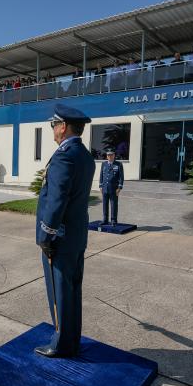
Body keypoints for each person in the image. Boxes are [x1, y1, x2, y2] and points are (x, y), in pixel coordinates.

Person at [35, 104, 95, 358]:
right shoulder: (84, 154)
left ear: (63, 127)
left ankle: (60, 344)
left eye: (54, 125)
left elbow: (57, 201)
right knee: (72, 290)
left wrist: (46, 236)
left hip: (59, 237)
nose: (53, 129)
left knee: (59, 292)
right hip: (77, 235)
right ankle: (72, 340)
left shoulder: (64, 156)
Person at [99, 148, 124, 225]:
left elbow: (121, 177)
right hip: (105, 187)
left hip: (114, 188)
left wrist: (119, 187)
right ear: (107, 156)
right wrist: (100, 186)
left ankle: (113, 220)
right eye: (108, 155)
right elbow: (101, 175)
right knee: (105, 204)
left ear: (114, 155)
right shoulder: (104, 164)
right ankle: (105, 219)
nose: (109, 156)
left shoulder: (118, 164)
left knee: (113, 204)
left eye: (111, 155)